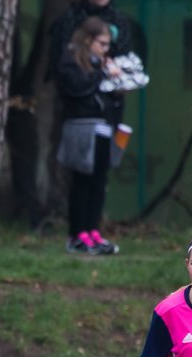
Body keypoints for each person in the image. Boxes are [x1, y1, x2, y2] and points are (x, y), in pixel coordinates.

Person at [54, 16, 123, 256]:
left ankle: (93, 231)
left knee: (99, 182)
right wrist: (103, 75)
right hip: (82, 129)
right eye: (102, 43)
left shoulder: (98, 64)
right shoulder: (70, 59)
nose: (106, 49)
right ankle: (77, 234)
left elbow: (105, 96)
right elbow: (76, 88)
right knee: (82, 182)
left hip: (103, 129)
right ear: (88, 39)